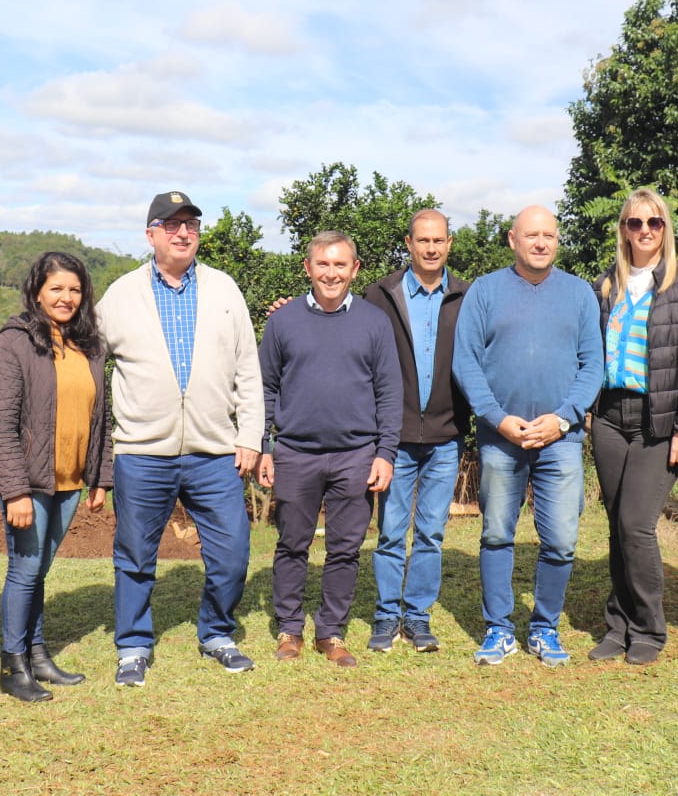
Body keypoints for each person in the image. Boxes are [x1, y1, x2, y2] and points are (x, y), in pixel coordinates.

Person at [96, 191, 264, 688]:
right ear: (150, 235)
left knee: (233, 552)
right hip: (143, 452)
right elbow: (88, 363)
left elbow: (248, 371)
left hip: (215, 451)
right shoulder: (121, 294)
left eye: (190, 224)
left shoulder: (224, 289)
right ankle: (132, 645)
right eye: (170, 225)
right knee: (134, 554)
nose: (183, 233)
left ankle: (216, 633)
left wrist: (250, 435)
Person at [453, 205, 602, 667]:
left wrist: (564, 418)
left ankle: (544, 628)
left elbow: (593, 364)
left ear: (557, 241)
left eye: (549, 236)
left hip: (561, 438)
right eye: (531, 235)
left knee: (561, 539)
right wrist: (497, 418)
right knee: (497, 533)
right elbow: (466, 361)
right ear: (512, 240)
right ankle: (499, 629)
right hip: (502, 437)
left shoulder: (579, 293)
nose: (541, 243)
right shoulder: (485, 291)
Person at [258, 230, 402, 668]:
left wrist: (386, 453)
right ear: (308, 268)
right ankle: (289, 629)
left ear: (355, 270)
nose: (331, 273)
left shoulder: (375, 322)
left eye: (341, 265)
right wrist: (264, 446)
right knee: (291, 544)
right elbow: (264, 388)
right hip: (296, 453)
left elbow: (389, 392)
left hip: (356, 454)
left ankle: (331, 631)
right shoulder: (282, 323)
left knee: (344, 548)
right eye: (323, 264)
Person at [587, 189, 678, 666]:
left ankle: (648, 628)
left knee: (636, 526)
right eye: (635, 223)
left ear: (666, 229)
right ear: (623, 229)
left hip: (658, 422)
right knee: (616, 527)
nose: (645, 231)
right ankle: (617, 625)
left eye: (654, 222)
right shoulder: (606, 285)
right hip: (609, 418)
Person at [0, 252, 112, 702]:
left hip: (71, 479)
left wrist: (101, 476)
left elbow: (101, 416)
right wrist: (15, 491)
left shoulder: (88, 344)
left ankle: (37, 656)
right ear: (37, 290)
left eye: (74, 289)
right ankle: (12, 665)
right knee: (25, 569)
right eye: (56, 288)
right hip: (28, 481)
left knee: (39, 571)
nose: (66, 297)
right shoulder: (15, 341)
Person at [362, 209, 471, 654]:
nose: (431, 248)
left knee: (430, 533)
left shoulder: (467, 296)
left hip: (446, 436)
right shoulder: (379, 295)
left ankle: (419, 618)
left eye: (438, 240)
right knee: (390, 532)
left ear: (449, 244)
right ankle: (387, 617)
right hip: (395, 439)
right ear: (408, 243)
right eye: (422, 240)